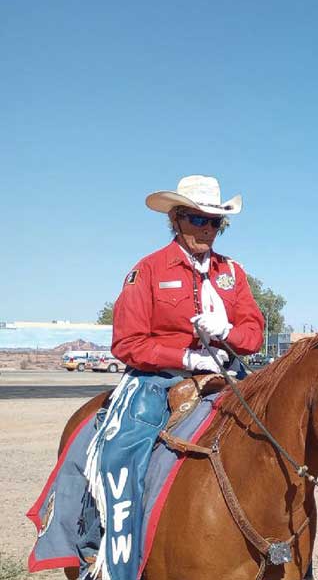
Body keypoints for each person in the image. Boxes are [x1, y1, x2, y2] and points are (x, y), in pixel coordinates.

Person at [84, 175, 264, 580]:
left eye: (214, 222)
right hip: (156, 379)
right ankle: (111, 556)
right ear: (176, 219)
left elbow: (253, 333)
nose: (206, 229)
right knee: (119, 453)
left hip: (226, 375)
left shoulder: (232, 273)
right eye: (197, 219)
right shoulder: (146, 270)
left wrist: (226, 333)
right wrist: (183, 355)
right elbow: (126, 342)